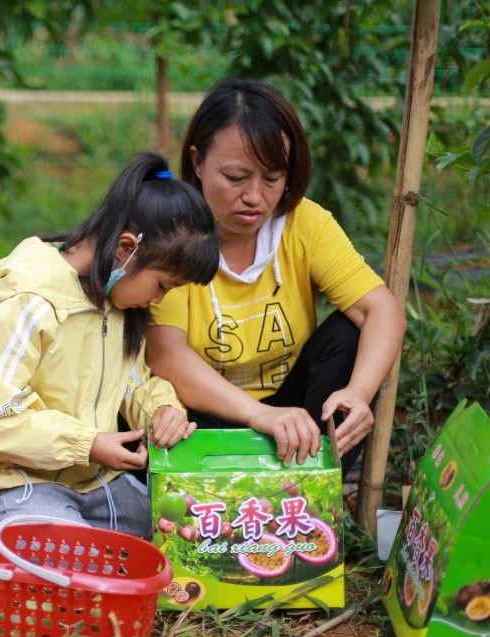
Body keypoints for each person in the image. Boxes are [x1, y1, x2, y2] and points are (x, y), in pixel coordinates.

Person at [0, 152, 219, 538]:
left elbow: (132, 382)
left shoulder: (118, 303)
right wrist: (88, 444)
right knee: (79, 565)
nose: (158, 300)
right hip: (17, 484)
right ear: (127, 248)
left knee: (191, 535)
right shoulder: (31, 299)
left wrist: (162, 409)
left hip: (97, 484)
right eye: (162, 285)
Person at [147, 78, 406, 476]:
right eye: (236, 178)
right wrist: (259, 415)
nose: (255, 196)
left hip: (297, 418)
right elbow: (165, 353)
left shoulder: (304, 224)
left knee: (350, 335)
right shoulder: (175, 230)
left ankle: (316, 475)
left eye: (272, 179)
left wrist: (358, 393)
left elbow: (381, 310)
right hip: (203, 417)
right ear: (197, 162)